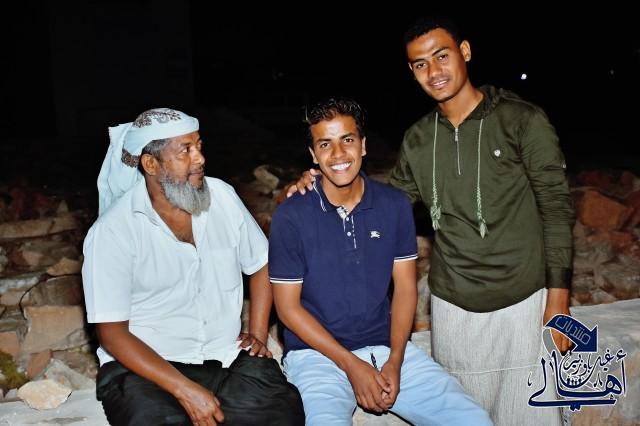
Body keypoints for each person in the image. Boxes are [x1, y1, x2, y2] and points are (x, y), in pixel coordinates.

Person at [288, 17, 574, 426]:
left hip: (523, 299)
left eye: (442, 56)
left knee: (530, 416)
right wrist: (323, 181)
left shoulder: (521, 120)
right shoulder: (419, 138)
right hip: (452, 305)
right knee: (466, 415)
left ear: (465, 52)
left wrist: (558, 300)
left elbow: (556, 207)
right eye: (420, 64)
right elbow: (385, 204)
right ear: (412, 71)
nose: (433, 71)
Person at [270, 98, 492, 425]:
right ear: (313, 155)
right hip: (315, 355)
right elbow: (288, 308)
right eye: (325, 144)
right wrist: (351, 365)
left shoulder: (393, 205)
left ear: (363, 145)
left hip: (383, 348)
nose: (338, 154)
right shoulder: (292, 215)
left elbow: (405, 289)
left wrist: (396, 360)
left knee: (473, 420)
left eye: (347, 139)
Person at [82, 108, 304, 426]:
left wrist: (257, 333)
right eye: (185, 150)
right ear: (151, 164)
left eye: (199, 146)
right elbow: (112, 334)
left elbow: (262, 263)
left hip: (227, 357)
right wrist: (185, 390)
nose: (200, 158)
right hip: (147, 370)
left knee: (284, 412)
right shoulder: (113, 232)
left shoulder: (222, 197)